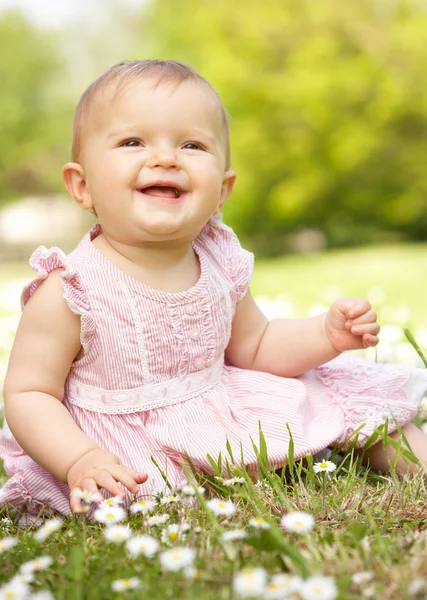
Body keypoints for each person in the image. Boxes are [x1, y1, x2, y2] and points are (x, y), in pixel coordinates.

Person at [1, 60, 427, 519]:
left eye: (192, 144)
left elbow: (256, 346)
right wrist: (79, 459)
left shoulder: (218, 260)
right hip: (121, 448)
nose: (165, 158)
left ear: (222, 191)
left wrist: (325, 336)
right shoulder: (70, 290)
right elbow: (29, 394)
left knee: (350, 402)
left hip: (219, 406)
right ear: (82, 186)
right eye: (132, 142)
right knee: (119, 500)